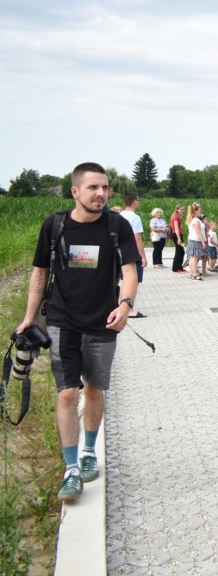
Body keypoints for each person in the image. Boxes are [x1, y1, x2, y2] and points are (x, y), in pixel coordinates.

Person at [16, 162, 140, 502]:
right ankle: (71, 469)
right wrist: (29, 318)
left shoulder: (116, 226)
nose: (101, 193)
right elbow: (40, 274)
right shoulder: (54, 225)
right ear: (75, 191)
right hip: (62, 321)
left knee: (95, 389)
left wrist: (125, 305)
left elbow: (130, 270)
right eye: (93, 187)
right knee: (68, 394)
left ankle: (88, 452)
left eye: (105, 187)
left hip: (103, 321)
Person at [186, 202, 207, 280]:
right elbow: (198, 232)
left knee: (192, 257)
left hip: (192, 240)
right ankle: (195, 274)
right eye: (199, 211)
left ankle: (192, 274)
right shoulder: (196, 221)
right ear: (196, 211)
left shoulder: (192, 219)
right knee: (195, 258)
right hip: (196, 240)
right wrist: (203, 242)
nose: (200, 212)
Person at [169, 204, 186, 273]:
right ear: (177, 209)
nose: (182, 210)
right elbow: (176, 228)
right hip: (177, 235)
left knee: (181, 252)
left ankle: (180, 267)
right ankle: (175, 268)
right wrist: (179, 238)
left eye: (183, 209)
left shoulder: (177, 216)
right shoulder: (175, 217)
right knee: (179, 252)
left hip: (179, 234)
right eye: (181, 209)